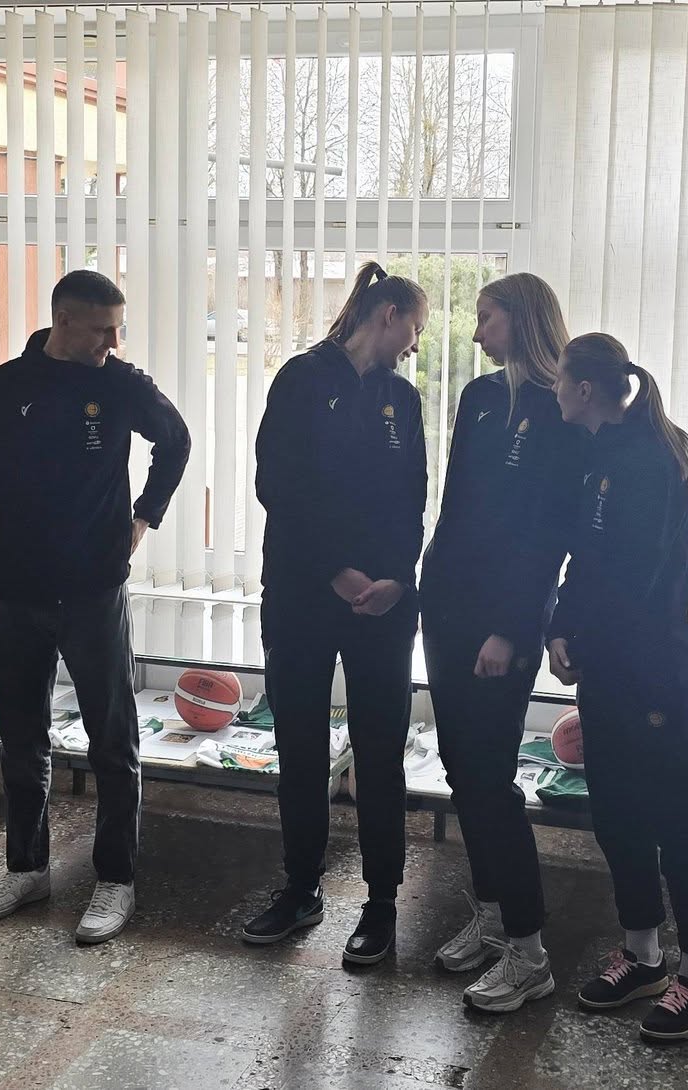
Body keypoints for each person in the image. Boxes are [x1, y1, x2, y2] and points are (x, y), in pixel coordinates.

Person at [0, 269, 190, 946]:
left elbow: (176, 441)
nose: (113, 341)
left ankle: (116, 878)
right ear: (64, 321)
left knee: (112, 739)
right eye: (103, 329)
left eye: (118, 329)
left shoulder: (122, 384)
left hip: (93, 589)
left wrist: (144, 517)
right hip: (18, 587)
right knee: (22, 737)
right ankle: (27, 869)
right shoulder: (1, 389)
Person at [240, 262, 428, 966]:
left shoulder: (401, 400)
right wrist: (336, 572)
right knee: (300, 747)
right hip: (302, 593)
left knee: (380, 752)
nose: (417, 343)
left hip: (383, 603)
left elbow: (413, 497)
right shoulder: (301, 378)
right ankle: (300, 889)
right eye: (415, 327)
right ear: (388, 315)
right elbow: (277, 486)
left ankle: (382, 902)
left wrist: (397, 579)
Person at [547, 332, 688, 1041]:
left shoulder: (651, 463)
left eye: (561, 380)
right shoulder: (599, 458)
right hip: (608, 673)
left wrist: (587, 639)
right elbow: (584, 565)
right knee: (617, 817)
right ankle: (643, 957)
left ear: (585, 389)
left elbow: (648, 586)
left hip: (655, 675)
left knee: (676, 826)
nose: (555, 390)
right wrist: (560, 629)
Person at [418, 273, 580, 1011]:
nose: (477, 331)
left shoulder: (556, 406)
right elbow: (457, 506)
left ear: (522, 319)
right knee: (461, 771)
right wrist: (431, 590)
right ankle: (489, 917)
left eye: (487, 317)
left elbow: (546, 536)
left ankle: (529, 950)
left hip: (500, 624)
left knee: (490, 780)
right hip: (448, 607)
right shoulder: (480, 397)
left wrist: (511, 630)